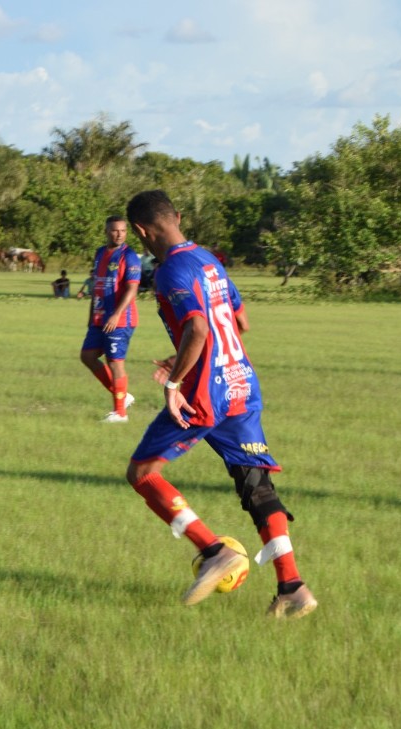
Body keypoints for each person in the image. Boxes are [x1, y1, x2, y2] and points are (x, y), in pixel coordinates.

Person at [123, 190, 316, 619]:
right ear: (177, 216)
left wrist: (176, 381)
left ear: (140, 231)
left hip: (205, 391)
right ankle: (292, 587)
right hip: (241, 383)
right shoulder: (209, 259)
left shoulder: (171, 270)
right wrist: (190, 355)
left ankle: (213, 551)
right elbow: (238, 321)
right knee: (256, 484)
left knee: (142, 473)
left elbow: (196, 326)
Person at [80, 215, 142, 422]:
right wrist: (91, 315)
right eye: (115, 230)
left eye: (123, 231)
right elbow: (98, 285)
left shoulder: (130, 256)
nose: (119, 234)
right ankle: (123, 396)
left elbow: (132, 288)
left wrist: (116, 314)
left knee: (115, 363)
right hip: (99, 318)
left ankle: (120, 414)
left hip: (120, 319)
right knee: (87, 356)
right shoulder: (99, 253)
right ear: (106, 231)